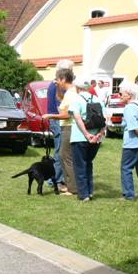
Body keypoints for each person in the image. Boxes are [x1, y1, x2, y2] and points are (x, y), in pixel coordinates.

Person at [68, 78, 104, 201]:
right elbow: (104, 119)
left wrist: (86, 134)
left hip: (80, 137)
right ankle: (90, 191)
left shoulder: (76, 99)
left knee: (80, 166)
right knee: (89, 164)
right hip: (96, 138)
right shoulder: (97, 99)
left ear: (77, 88)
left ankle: (83, 194)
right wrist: (100, 133)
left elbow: (77, 118)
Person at [42, 67, 76, 196]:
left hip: (69, 127)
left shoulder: (71, 93)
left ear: (63, 79)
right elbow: (61, 99)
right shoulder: (67, 92)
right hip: (65, 127)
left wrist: (50, 116)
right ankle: (65, 183)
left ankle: (71, 187)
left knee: (65, 157)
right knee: (62, 156)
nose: (56, 82)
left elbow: (68, 114)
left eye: (58, 80)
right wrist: (57, 87)